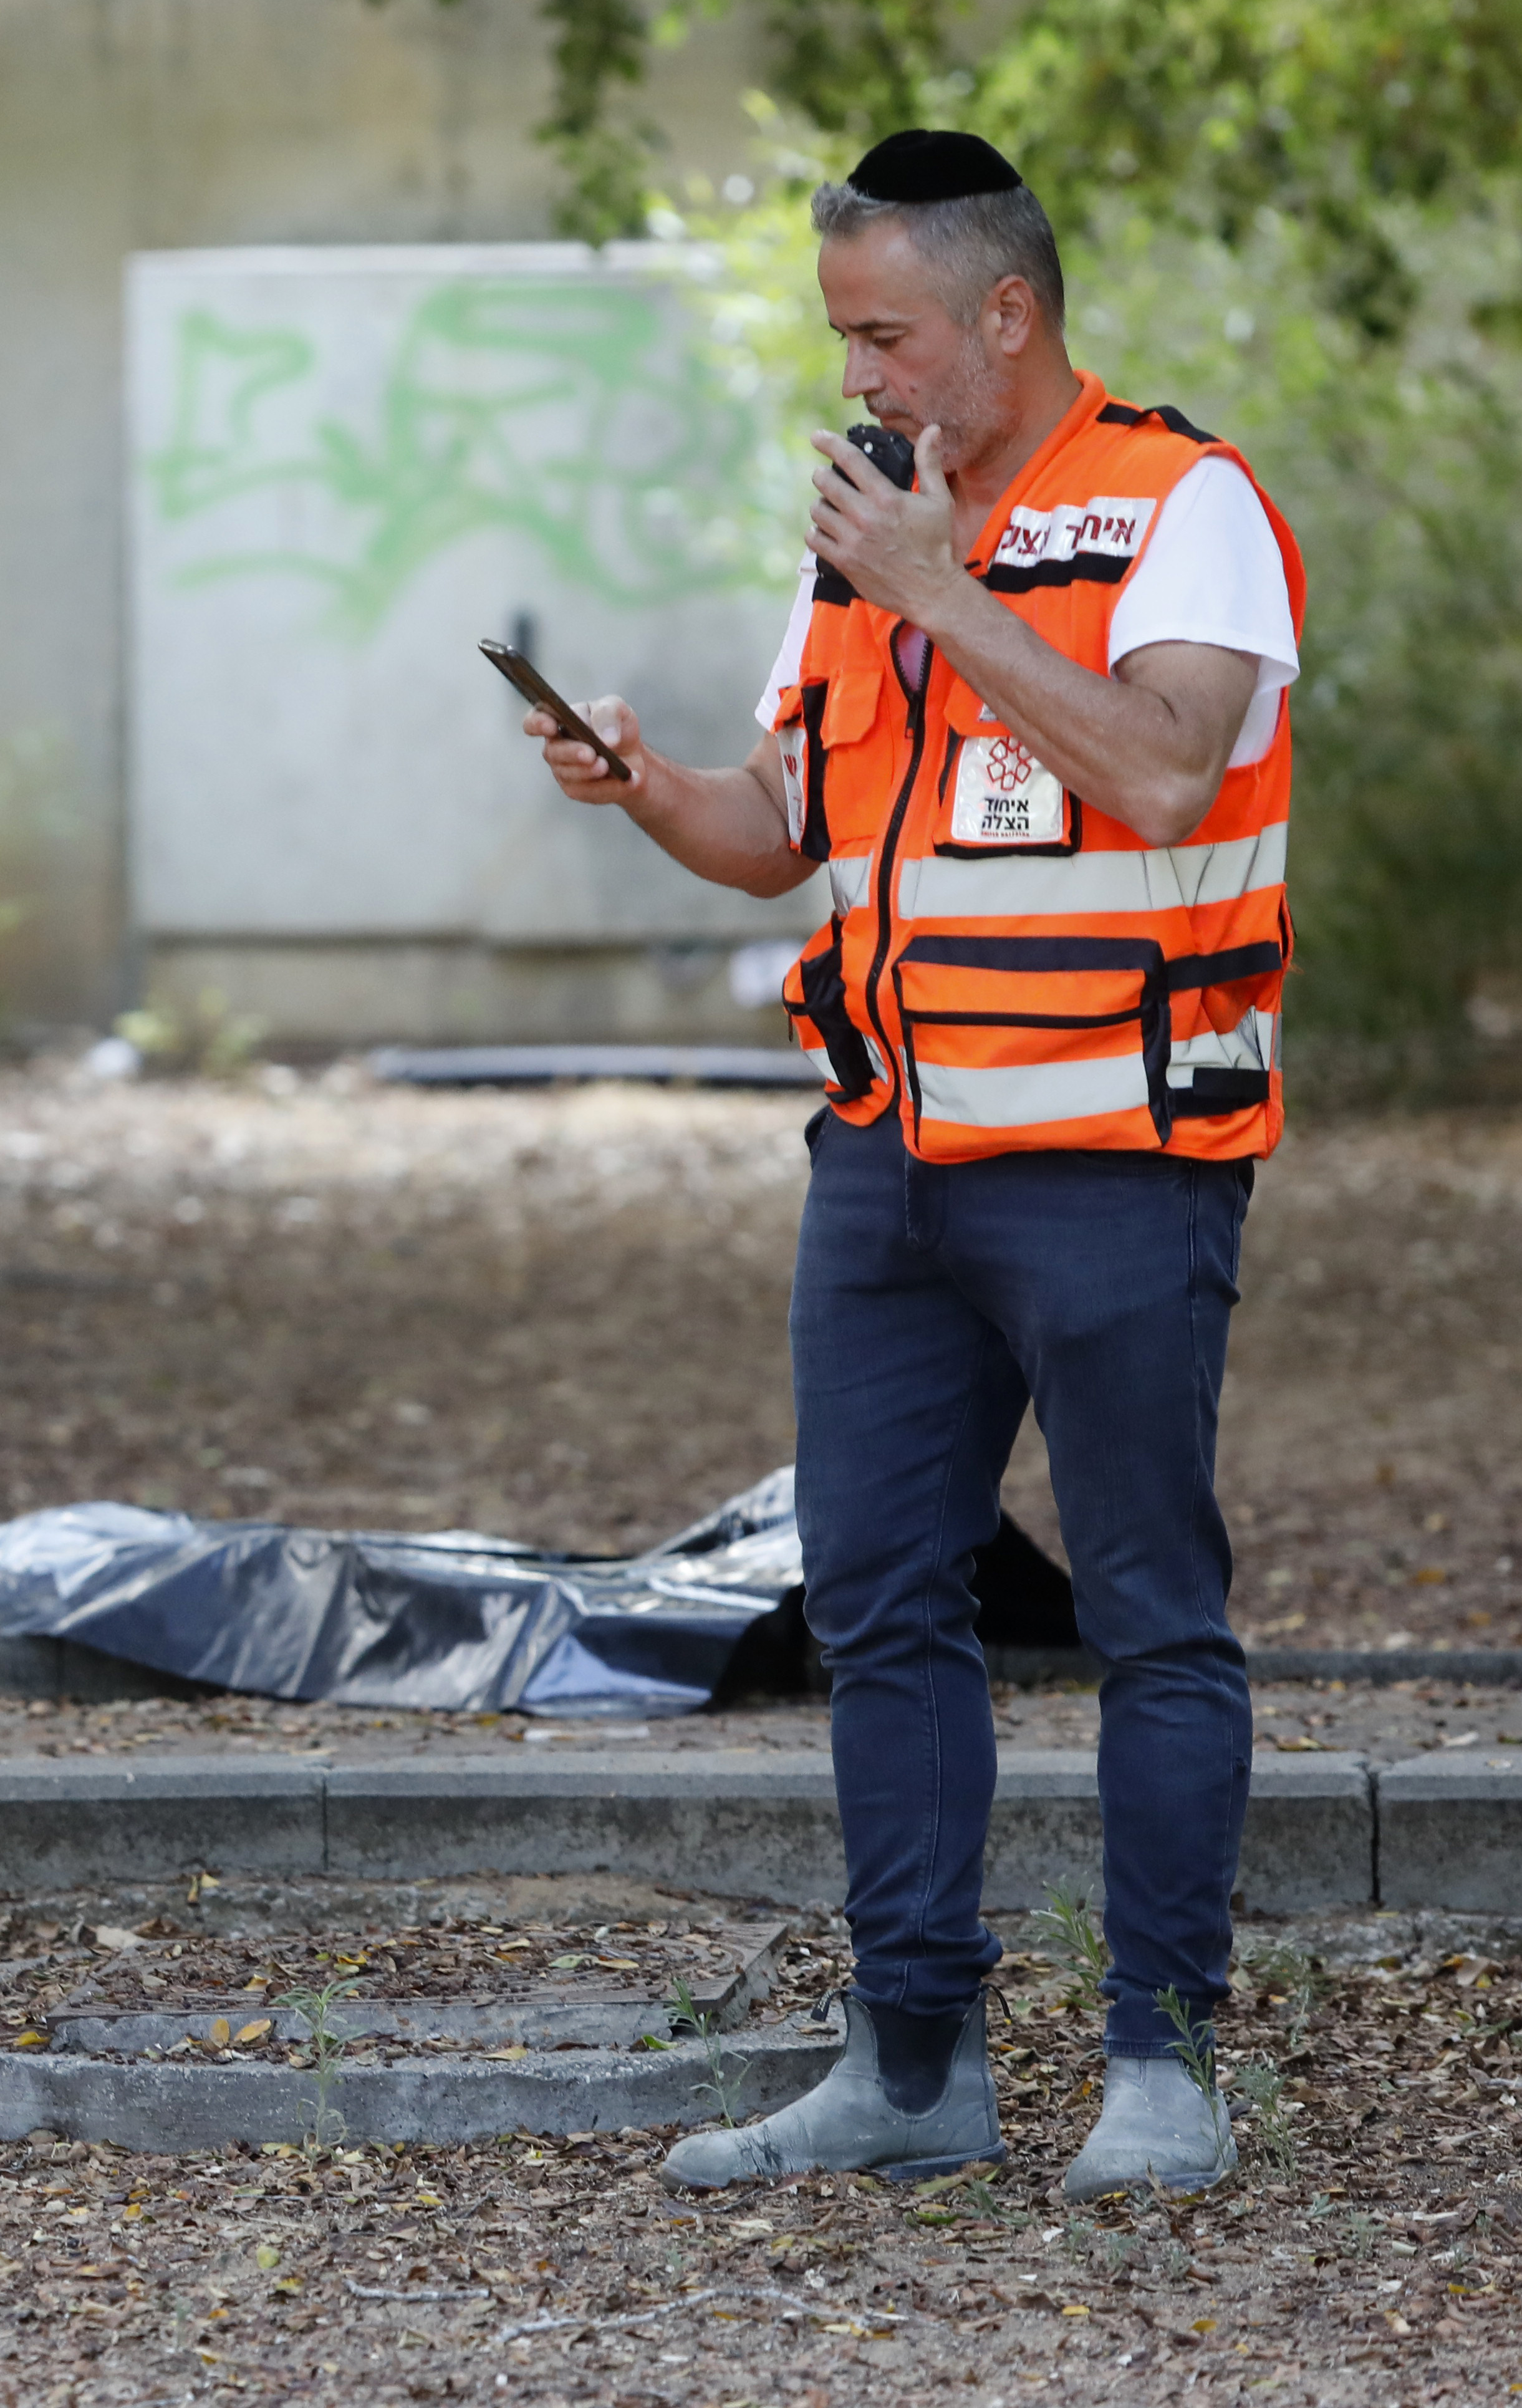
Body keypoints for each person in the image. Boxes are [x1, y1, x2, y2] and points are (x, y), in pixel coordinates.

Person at [518, 131, 1300, 2202]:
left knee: (1149, 1616)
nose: (855, 378)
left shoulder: (1184, 506)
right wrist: (642, 785)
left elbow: (1161, 769)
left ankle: (1159, 2065)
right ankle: (912, 2063)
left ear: (1003, 315)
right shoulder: (865, 544)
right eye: (841, 338)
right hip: (883, 1163)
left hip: (1118, 1158)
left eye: (884, 336)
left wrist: (936, 591)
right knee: (873, 1602)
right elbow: (779, 827)